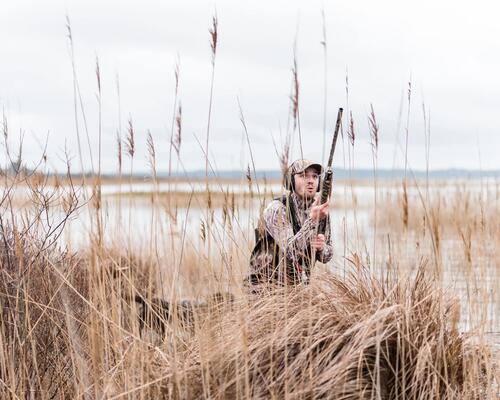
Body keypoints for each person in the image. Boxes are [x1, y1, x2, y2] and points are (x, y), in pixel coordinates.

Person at [246, 159, 333, 290]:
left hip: (297, 287)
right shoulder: (277, 209)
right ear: (291, 181)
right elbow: (291, 252)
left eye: (315, 176)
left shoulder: (320, 211)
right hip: (264, 286)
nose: (310, 181)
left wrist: (321, 248)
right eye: (303, 175)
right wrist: (312, 221)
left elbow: (328, 256)